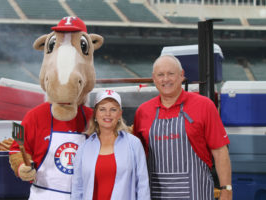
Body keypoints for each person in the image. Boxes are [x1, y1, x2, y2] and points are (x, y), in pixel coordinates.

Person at [133, 55, 232, 200]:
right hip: (156, 194)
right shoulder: (143, 111)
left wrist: (226, 190)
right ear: (154, 79)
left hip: (198, 192)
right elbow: (137, 157)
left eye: (171, 74)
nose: (165, 79)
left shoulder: (204, 106)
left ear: (181, 75)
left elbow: (220, 152)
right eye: (160, 75)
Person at [71, 90, 150, 200]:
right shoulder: (84, 147)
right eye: (102, 109)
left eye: (113, 109)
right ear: (95, 113)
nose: (107, 114)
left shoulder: (134, 144)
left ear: (119, 114)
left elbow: (142, 185)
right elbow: (77, 188)